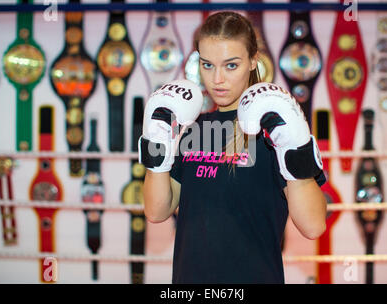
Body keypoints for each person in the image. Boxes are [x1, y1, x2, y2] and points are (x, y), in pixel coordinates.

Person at [140, 11, 327, 284]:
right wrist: (155, 140)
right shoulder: (193, 128)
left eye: (230, 65)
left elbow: (313, 226)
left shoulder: (274, 128)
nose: (217, 79)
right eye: (207, 65)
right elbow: (157, 211)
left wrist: (292, 144)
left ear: (253, 61)